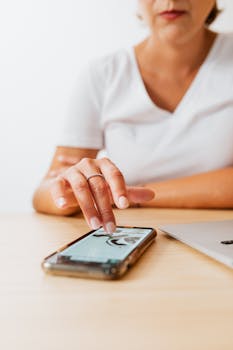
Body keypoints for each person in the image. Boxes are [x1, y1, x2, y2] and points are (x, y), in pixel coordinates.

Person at [33, 0, 233, 234]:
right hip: (131, 235)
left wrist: (129, 194)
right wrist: (71, 185)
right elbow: (45, 192)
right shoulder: (103, 74)